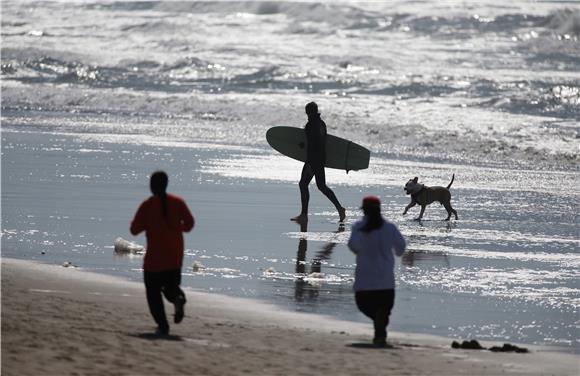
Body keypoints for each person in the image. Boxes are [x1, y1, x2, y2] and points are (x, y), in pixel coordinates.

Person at [130, 171, 195, 336]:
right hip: (174, 257)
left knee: (153, 295)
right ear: (166, 185)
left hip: (154, 260)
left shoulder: (147, 205)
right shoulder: (178, 202)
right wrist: (175, 229)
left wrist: (151, 225)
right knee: (171, 288)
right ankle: (177, 299)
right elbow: (189, 224)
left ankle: (163, 325)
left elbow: (134, 230)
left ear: (152, 186)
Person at [347, 195, 406, 346]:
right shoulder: (390, 227)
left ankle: (378, 326)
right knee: (384, 310)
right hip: (386, 281)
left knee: (365, 306)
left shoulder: (358, 227)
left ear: (364, 210)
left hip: (365, 280)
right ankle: (380, 333)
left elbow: (354, 247)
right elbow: (400, 250)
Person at [291, 102, 346, 223]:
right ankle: (340, 209)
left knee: (303, 184)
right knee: (321, 186)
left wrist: (310, 161)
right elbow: (320, 142)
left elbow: (313, 144)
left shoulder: (311, 124)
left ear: (307, 112)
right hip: (321, 158)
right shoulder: (321, 124)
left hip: (313, 159)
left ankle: (304, 215)